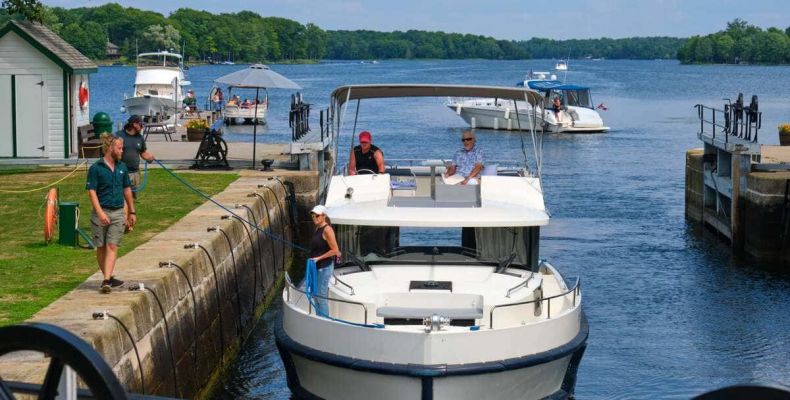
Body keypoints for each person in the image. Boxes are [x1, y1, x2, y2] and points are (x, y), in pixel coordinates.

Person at [86, 134, 136, 293]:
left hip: (117, 212)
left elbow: (127, 190)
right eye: (119, 148)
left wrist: (131, 212)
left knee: (112, 245)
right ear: (109, 148)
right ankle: (108, 277)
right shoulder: (96, 168)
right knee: (101, 247)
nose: (122, 151)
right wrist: (100, 213)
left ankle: (106, 280)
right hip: (101, 212)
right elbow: (92, 192)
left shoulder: (122, 167)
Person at [308, 205, 340, 315]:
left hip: (324, 268)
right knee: (315, 295)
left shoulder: (327, 230)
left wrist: (318, 258)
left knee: (321, 297)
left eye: (317, 216)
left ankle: (325, 321)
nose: (314, 218)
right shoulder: (317, 228)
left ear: (324, 216)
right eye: (313, 216)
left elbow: (335, 250)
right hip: (317, 267)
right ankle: (319, 319)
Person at [116, 115, 154, 199]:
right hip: (122, 173)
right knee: (122, 199)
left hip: (135, 173)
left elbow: (143, 152)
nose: (142, 126)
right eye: (141, 124)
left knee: (133, 199)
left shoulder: (140, 138)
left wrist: (149, 158)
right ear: (134, 124)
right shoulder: (119, 136)